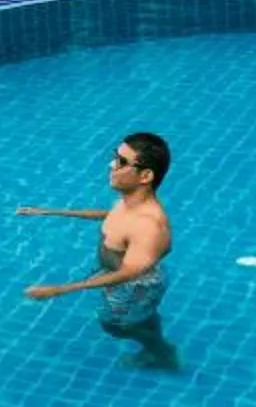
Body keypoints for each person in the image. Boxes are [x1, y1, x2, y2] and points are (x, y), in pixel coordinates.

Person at [18, 131, 178, 369]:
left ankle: (162, 352)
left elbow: (129, 273)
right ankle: (154, 337)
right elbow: (112, 216)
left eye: (122, 162)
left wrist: (59, 289)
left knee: (115, 325)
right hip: (122, 272)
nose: (111, 165)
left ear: (145, 175)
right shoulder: (130, 202)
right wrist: (49, 211)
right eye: (115, 157)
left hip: (135, 284)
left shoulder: (149, 224)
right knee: (141, 318)